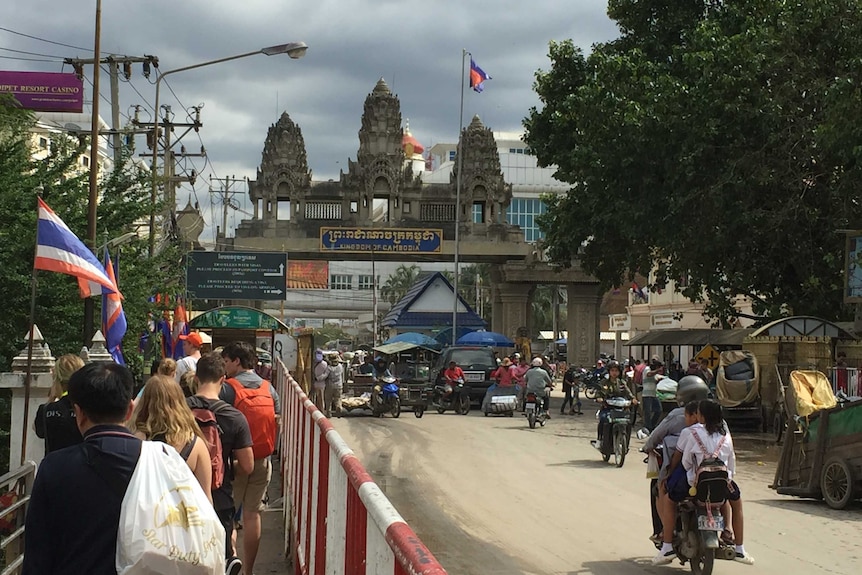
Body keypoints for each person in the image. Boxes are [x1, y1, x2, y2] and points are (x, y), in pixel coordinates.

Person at [23, 363, 142, 575]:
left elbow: (38, 551)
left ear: (79, 413)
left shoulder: (54, 467)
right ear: (130, 410)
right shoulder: (161, 460)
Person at [655, 399, 754, 566]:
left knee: (669, 499)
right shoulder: (725, 436)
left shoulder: (690, 432)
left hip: (694, 483)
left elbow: (686, 463)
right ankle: (739, 548)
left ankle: (666, 547)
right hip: (721, 483)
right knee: (737, 504)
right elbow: (731, 465)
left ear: (702, 416)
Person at [190, 352, 254, 575]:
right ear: (223, 380)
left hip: (182, 496)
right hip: (220, 495)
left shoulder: (178, 411)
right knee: (220, 553)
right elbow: (248, 466)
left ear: (196, 378)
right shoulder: (235, 417)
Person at [220, 341, 280, 575]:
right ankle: (250, 570)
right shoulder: (268, 388)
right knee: (252, 514)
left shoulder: (228, 388)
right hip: (262, 459)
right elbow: (277, 420)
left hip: (234, 462)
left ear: (236, 361)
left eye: (226, 361)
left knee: (228, 515)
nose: (225, 367)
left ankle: (231, 560)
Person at [642, 375, 711, 542]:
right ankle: (730, 535)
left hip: (685, 474)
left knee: (661, 489)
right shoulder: (714, 416)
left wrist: (647, 448)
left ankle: (664, 536)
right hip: (714, 472)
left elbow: (658, 437)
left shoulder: (680, 419)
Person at [130, 374, 213, 502]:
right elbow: (206, 497)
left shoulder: (135, 440)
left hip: (146, 517)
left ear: (145, 402)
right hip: (182, 518)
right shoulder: (195, 444)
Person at [34, 354, 85, 453]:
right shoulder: (90, 409)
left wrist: (51, 399)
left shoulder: (46, 410)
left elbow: (38, 430)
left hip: (54, 466)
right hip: (83, 466)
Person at [593, 361, 635, 443]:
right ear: (609, 371)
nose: (614, 373)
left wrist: (633, 399)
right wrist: (599, 398)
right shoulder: (604, 382)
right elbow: (598, 393)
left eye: (616, 371)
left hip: (621, 408)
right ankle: (600, 440)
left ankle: (626, 442)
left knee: (628, 421)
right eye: (612, 370)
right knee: (603, 419)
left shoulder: (622, 383)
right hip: (607, 408)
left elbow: (628, 393)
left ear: (619, 372)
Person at [642, 355, 664, 432]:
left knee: (659, 410)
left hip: (654, 394)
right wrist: (657, 371)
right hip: (647, 394)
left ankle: (652, 424)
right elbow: (649, 374)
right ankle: (648, 427)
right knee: (647, 412)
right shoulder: (647, 369)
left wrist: (658, 380)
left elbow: (653, 381)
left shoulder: (654, 372)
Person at [325, 352, 344, 418]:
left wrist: (318, 377)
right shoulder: (340, 366)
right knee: (338, 398)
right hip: (339, 385)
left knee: (328, 400)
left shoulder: (329, 368)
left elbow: (325, 376)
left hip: (330, 385)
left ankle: (328, 413)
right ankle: (338, 407)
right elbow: (342, 375)